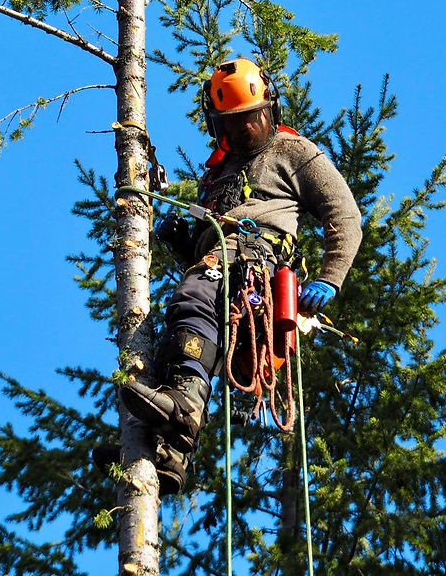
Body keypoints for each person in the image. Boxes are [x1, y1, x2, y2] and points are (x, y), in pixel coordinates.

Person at [104, 58, 363, 495]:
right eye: (234, 126)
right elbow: (212, 242)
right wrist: (184, 242)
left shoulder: (294, 152)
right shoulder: (217, 174)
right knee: (181, 327)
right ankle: (168, 454)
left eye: (252, 121)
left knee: (191, 299)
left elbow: (345, 215)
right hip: (223, 265)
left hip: (258, 265)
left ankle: (183, 407)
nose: (244, 133)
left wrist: (330, 277)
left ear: (272, 112)